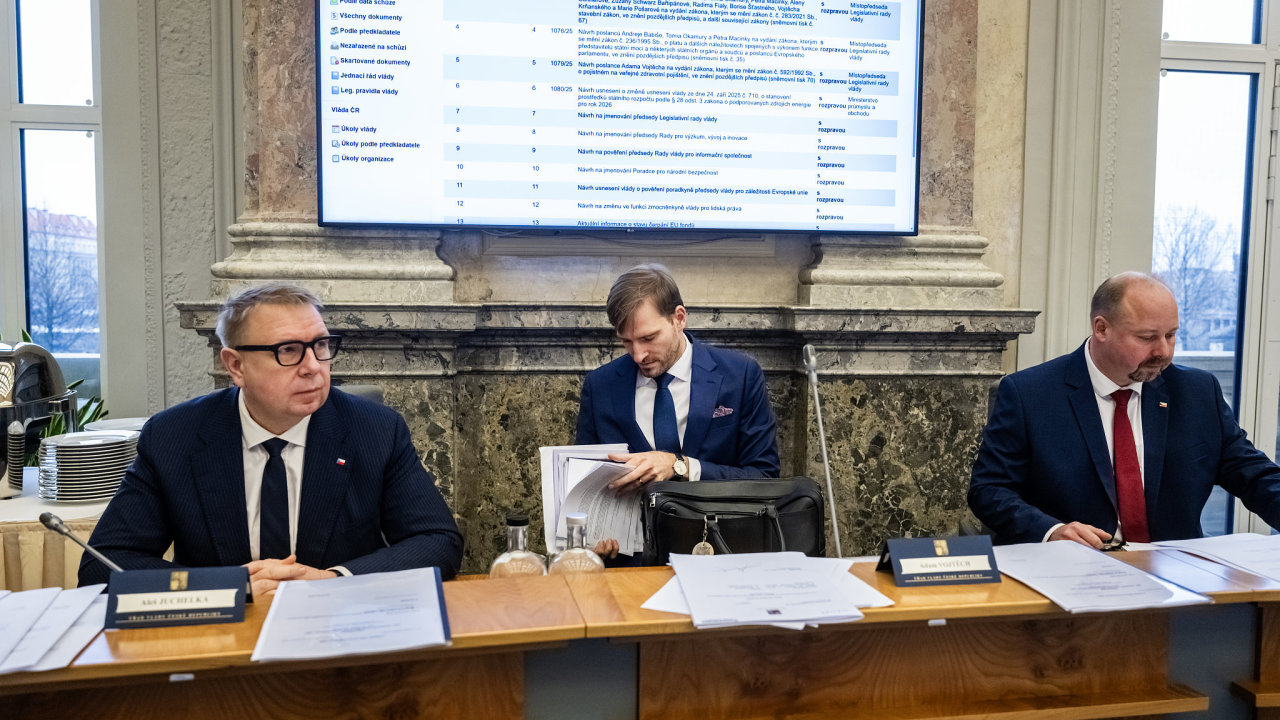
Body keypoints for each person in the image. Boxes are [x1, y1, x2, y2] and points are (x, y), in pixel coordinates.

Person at [79, 283, 463, 594]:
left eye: (321, 345)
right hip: (224, 639)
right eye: (288, 350)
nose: (313, 367)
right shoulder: (174, 437)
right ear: (236, 365)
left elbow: (437, 541)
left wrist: (333, 580)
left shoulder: (375, 430)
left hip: (339, 629)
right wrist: (228, 586)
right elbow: (103, 565)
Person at [969, 271, 1280, 547]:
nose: (1163, 351)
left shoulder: (1197, 392)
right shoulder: (1030, 394)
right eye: (1147, 337)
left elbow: (1254, 475)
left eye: (1171, 335)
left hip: (1176, 574)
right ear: (1101, 329)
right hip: (1073, 568)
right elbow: (990, 489)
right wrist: (1052, 531)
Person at [575, 264, 780, 560]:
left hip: (722, 555)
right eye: (626, 341)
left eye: (648, 338)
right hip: (630, 566)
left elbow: (764, 479)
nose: (638, 355)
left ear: (679, 318)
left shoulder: (740, 376)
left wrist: (680, 467)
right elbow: (585, 485)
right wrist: (589, 539)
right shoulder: (600, 386)